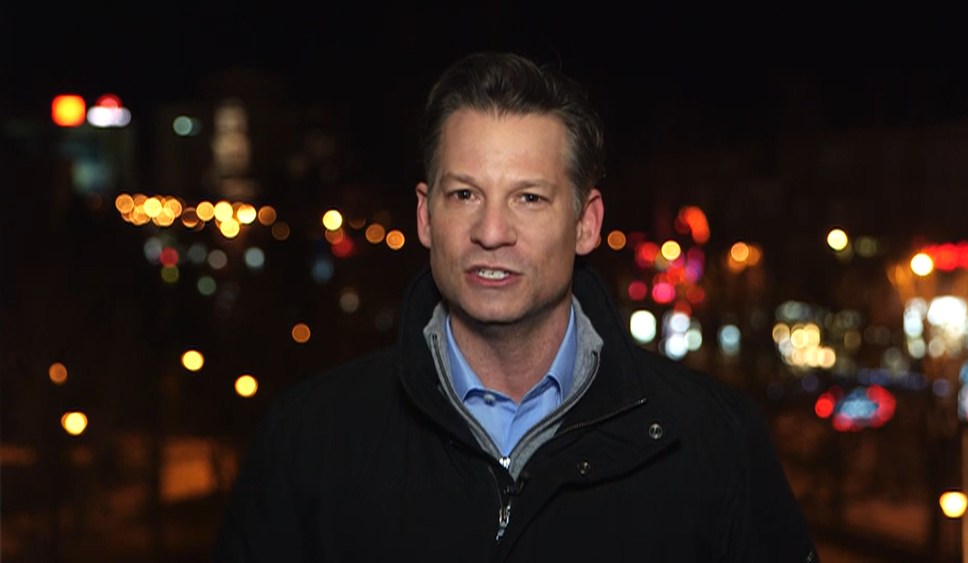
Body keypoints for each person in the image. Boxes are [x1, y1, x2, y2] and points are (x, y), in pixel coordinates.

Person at [215, 51, 819, 562]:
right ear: (426, 216)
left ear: (586, 223)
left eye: (529, 198)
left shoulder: (713, 441)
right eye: (464, 194)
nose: (491, 231)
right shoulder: (310, 440)